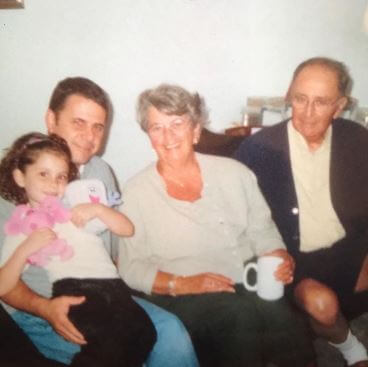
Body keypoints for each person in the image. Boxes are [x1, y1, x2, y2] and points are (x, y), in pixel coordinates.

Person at [0, 77, 199, 367]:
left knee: (172, 333)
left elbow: (115, 248)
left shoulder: (100, 171)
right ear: (51, 119)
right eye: (78, 122)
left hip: (105, 297)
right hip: (40, 307)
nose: (88, 136)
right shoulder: (20, 177)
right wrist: (45, 309)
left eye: (98, 127)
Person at [117, 83, 316, 367]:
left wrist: (278, 254)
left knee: (282, 318)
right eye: (156, 127)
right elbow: (131, 267)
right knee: (238, 317)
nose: (168, 136)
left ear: (196, 130)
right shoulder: (136, 192)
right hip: (181, 293)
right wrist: (183, 284)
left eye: (177, 124)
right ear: (148, 135)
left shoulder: (235, 173)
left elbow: (262, 230)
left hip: (246, 278)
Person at [234, 57, 368, 367]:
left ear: (340, 105)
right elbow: (236, 223)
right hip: (295, 261)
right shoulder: (258, 150)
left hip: (350, 251)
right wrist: (269, 254)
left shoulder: (356, 140)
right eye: (300, 99)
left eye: (321, 102)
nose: (307, 113)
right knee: (322, 305)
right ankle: (352, 349)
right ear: (289, 96)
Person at [0, 132, 157, 367]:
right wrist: (25, 250)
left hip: (115, 287)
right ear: (20, 177)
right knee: (109, 342)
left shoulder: (76, 209)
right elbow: (2, 286)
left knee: (145, 332)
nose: (54, 184)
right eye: (43, 174)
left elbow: (127, 229)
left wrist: (100, 211)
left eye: (61, 176)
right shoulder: (22, 229)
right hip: (79, 291)